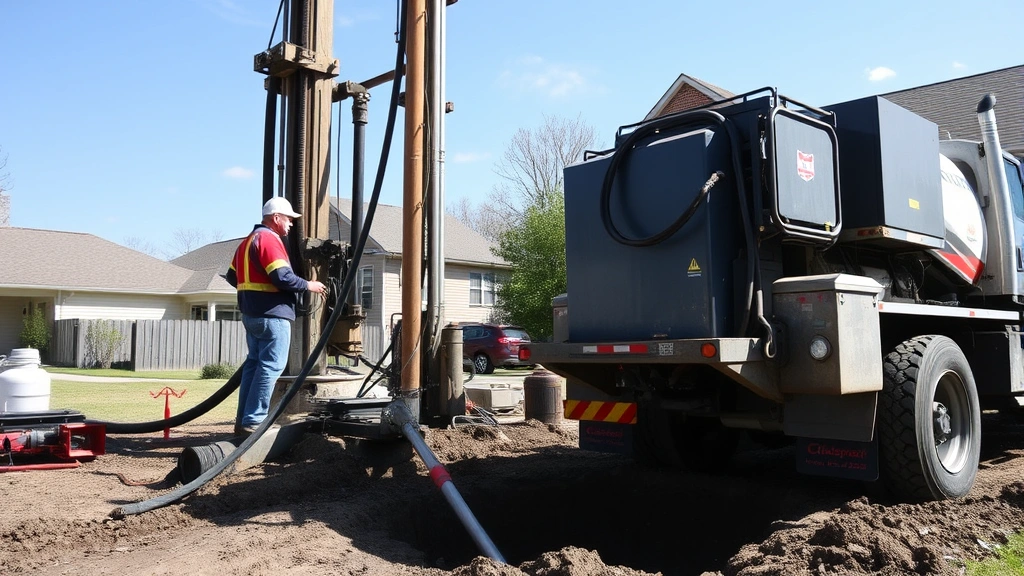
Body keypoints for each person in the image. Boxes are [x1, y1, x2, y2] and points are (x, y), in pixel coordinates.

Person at [226, 197, 325, 435]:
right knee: (271, 366)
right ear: (276, 218)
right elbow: (282, 276)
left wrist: (254, 293)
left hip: (252, 314)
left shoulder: (246, 242)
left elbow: (231, 277)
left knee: (253, 366)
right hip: (273, 315)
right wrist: (309, 285)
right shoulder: (269, 240)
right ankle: (254, 420)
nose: (291, 224)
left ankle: (243, 420)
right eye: (288, 219)